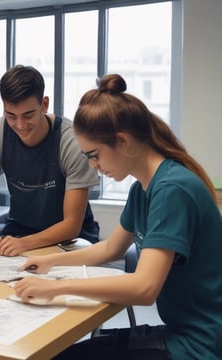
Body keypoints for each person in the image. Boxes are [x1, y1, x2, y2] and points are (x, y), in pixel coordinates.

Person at [14, 74, 222, 360]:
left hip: (198, 347)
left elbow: (144, 288)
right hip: (180, 333)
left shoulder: (172, 190)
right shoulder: (144, 188)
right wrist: (51, 261)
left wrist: (56, 288)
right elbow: (111, 248)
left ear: (122, 141)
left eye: (95, 155)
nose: (94, 166)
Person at [0, 65, 100, 256]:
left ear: (44, 104)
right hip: (19, 232)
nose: (20, 125)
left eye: (28, 115)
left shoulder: (71, 141)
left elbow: (71, 224)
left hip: (72, 239)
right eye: (11, 116)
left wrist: (26, 244)